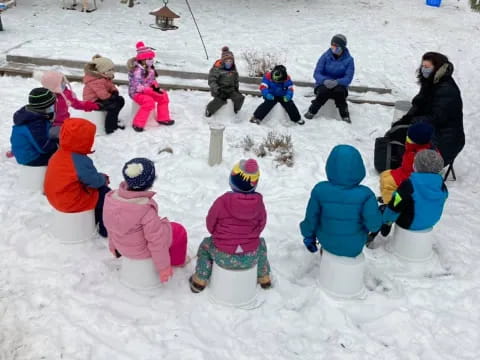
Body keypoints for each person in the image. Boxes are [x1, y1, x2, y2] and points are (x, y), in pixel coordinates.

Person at [189, 159, 271, 293]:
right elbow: (261, 226)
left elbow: (210, 225)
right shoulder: (259, 204)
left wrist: (219, 236)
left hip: (222, 255)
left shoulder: (222, 202)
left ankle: (200, 280)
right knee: (261, 245)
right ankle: (264, 277)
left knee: (205, 246)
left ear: (232, 181)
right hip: (250, 256)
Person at [103, 158, 188, 283]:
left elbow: (111, 227)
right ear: (150, 183)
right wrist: (164, 268)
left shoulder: (111, 199)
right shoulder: (145, 209)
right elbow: (156, 242)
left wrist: (113, 247)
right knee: (178, 231)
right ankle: (178, 262)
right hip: (141, 251)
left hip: (121, 246)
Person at [300, 145, 382, 257]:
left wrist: (308, 236)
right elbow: (374, 225)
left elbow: (311, 219)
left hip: (327, 241)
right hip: (355, 245)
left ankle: (327, 256)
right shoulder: (366, 195)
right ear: (359, 167)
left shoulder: (320, 190)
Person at [394, 52, 464, 166]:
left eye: (427, 67)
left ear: (436, 68)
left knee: (414, 133)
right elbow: (418, 105)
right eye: (422, 66)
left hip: (447, 138)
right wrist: (404, 120)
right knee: (399, 132)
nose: (423, 69)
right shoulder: (430, 83)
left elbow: (438, 118)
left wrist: (414, 122)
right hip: (432, 131)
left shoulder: (447, 89)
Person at [44, 118, 110, 237]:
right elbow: (94, 181)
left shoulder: (58, 154)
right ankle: (104, 228)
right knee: (106, 196)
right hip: (70, 201)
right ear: (84, 140)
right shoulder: (79, 160)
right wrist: (103, 178)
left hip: (55, 197)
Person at [380, 150, 448, 237]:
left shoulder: (409, 185)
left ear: (416, 167)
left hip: (409, 223)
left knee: (385, 208)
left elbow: (394, 206)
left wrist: (387, 223)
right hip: (431, 221)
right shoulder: (442, 185)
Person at [379, 122, 435, 204]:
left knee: (387, 183)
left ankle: (391, 205)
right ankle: (389, 197)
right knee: (384, 175)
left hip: (411, 180)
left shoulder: (420, 156)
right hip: (405, 172)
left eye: (409, 139)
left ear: (416, 141)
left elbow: (415, 175)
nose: (406, 140)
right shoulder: (415, 148)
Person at [304, 34, 355, 123]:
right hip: (324, 83)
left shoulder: (349, 60)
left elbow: (348, 78)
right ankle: (311, 111)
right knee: (323, 92)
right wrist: (324, 80)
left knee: (339, 93)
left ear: (342, 47)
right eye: (332, 45)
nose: (334, 48)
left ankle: (345, 115)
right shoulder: (325, 56)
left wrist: (337, 82)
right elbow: (317, 73)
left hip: (339, 84)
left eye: (336, 46)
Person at [36, 70, 99, 138]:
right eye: (61, 82)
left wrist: (92, 105)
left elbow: (77, 104)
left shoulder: (66, 94)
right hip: (45, 124)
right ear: (52, 85)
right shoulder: (43, 95)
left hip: (61, 124)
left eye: (64, 81)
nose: (64, 83)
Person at [127, 41, 174, 132]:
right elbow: (137, 86)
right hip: (136, 93)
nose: (151, 60)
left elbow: (152, 81)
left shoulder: (150, 68)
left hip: (148, 90)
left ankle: (163, 118)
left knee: (163, 96)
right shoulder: (137, 71)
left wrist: (156, 88)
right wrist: (149, 91)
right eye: (148, 58)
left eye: (151, 58)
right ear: (142, 59)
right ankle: (137, 123)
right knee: (149, 102)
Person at [10, 88, 58, 166]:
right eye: (52, 105)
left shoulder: (32, 115)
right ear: (44, 107)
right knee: (62, 156)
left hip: (26, 151)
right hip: (31, 158)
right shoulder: (35, 124)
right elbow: (44, 147)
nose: (54, 107)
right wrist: (58, 144)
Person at [83, 54, 125, 134]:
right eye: (110, 70)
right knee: (113, 106)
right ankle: (110, 127)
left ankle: (113, 119)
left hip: (102, 98)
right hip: (92, 102)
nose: (112, 71)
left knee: (120, 100)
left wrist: (114, 91)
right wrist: (111, 97)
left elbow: (111, 85)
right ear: (102, 70)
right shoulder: (95, 81)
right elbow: (103, 95)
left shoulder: (104, 77)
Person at [205, 46, 245, 117]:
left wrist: (236, 89)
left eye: (230, 61)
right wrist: (218, 90)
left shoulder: (233, 69)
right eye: (227, 61)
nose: (229, 63)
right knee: (221, 100)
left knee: (240, 98)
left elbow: (236, 80)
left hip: (230, 90)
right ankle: (209, 109)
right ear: (223, 61)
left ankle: (235, 110)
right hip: (220, 89)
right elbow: (211, 81)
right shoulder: (217, 69)